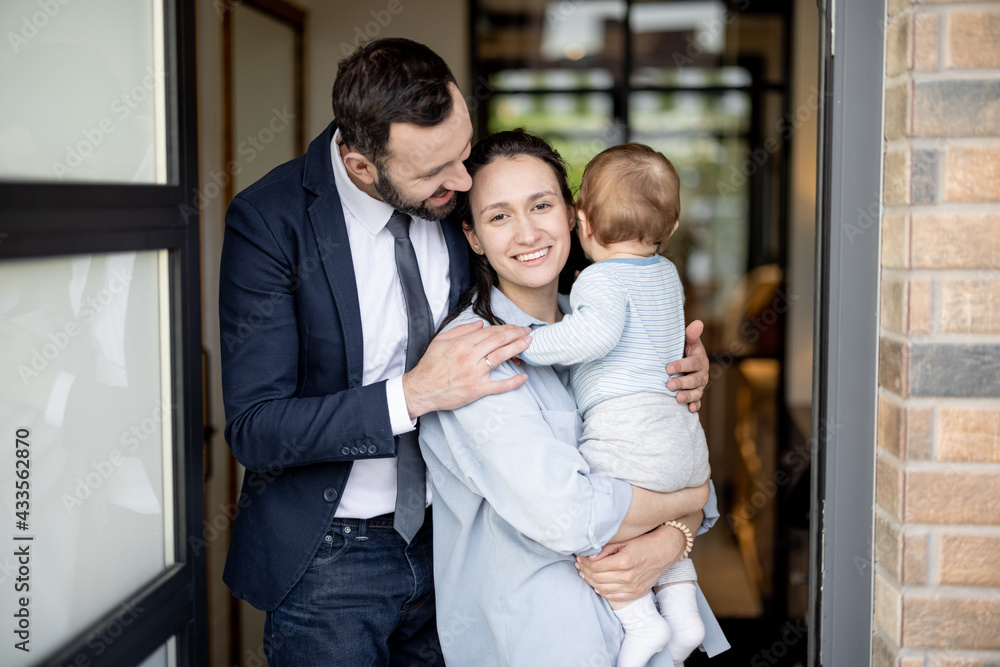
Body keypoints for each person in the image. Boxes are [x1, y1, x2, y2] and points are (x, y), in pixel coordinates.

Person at [218, 38, 711, 664]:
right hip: (331, 554)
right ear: (365, 166)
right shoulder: (271, 222)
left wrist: (659, 372)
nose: (461, 179)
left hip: (455, 545)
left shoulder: (459, 197)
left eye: (464, 152)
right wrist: (417, 393)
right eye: (437, 172)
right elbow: (256, 429)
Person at [418, 129, 729, 666]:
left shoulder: (612, 321)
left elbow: (678, 471)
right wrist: (687, 505)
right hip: (550, 642)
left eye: (541, 205)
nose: (527, 232)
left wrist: (671, 538)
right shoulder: (471, 353)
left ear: (572, 213)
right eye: (498, 216)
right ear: (473, 237)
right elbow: (571, 516)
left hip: (650, 646)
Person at [518, 143, 709, 666]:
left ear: (583, 223)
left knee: (598, 513)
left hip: (629, 428)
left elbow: (593, 337)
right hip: (682, 437)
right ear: (669, 230)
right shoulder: (667, 274)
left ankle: (640, 620)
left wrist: (526, 342)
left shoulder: (600, 278)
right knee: (652, 524)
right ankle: (683, 612)